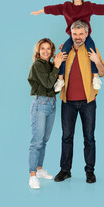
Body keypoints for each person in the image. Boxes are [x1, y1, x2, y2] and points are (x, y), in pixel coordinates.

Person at [31, 0, 104, 91]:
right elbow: (53, 9)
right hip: (72, 37)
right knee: (64, 53)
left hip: (86, 36)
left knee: (92, 51)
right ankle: (60, 80)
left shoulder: (88, 6)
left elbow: (101, 8)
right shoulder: (66, 7)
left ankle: (95, 78)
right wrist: (40, 11)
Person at [54, 20, 104, 183]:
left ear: (86, 34)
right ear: (71, 34)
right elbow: (56, 69)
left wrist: (97, 60)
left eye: (81, 34)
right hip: (68, 102)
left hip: (88, 102)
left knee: (89, 137)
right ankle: (65, 170)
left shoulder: (92, 49)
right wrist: (56, 64)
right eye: (75, 34)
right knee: (66, 137)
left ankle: (90, 171)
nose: (78, 37)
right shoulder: (65, 49)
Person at [28, 38, 67, 189]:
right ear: (38, 51)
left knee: (44, 140)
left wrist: (63, 52)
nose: (45, 51)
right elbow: (48, 83)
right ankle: (32, 175)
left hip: (51, 103)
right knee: (36, 141)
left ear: (52, 51)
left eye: (48, 49)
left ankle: (39, 170)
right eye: (42, 48)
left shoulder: (50, 65)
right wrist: (56, 66)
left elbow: (57, 81)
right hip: (40, 104)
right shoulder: (38, 65)